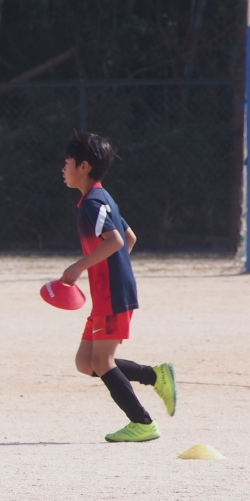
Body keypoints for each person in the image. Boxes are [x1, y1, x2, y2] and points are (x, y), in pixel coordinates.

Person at [59, 131, 177, 442]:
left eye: (68, 162)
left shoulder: (92, 203)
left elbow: (116, 241)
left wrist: (80, 266)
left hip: (112, 294)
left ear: (83, 166)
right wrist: (112, 269)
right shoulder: (100, 197)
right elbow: (130, 237)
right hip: (108, 292)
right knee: (86, 363)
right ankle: (154, 375)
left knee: (101, 361)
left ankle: (143, 423)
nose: (64, 168)